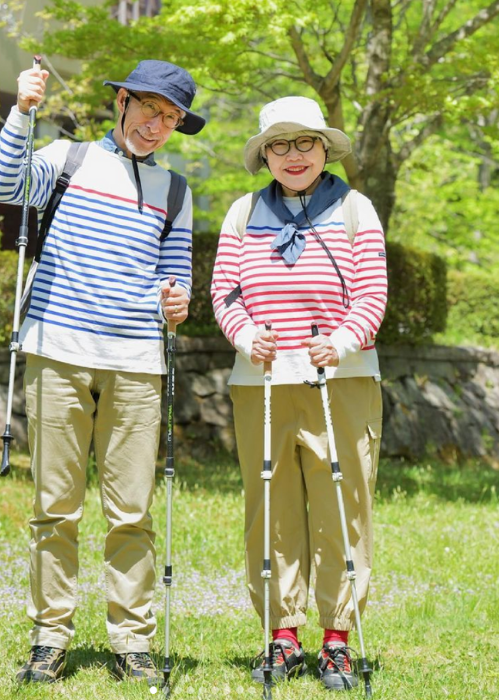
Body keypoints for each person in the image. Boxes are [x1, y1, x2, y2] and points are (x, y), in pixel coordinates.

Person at [0, 59, 206, 687]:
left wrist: (176, 299)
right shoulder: (68, 159)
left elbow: (175, 271)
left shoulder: (177, 191)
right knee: (55, 508)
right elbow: (6, 185)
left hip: (137, 362)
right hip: (57, 349)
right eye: (149, 109)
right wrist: (22, 110)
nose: (157, 126)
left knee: (131, 512)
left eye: (170, 118)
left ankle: (132, 641)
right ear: (123, 103)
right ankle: (49, 637)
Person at [211, 96, 387, 691]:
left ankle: (337, 637)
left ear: (324, 149)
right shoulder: (241, 212)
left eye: (304, 143)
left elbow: (371, 294)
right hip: (261, 383)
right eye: (279, 145)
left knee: (344, 511)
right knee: (273, 512)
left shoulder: (356, 209)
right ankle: (283, 634)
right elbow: (225, 292)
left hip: (342, 377)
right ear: (264, 154)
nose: (292, 155)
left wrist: (339, 341)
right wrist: (243, 336)